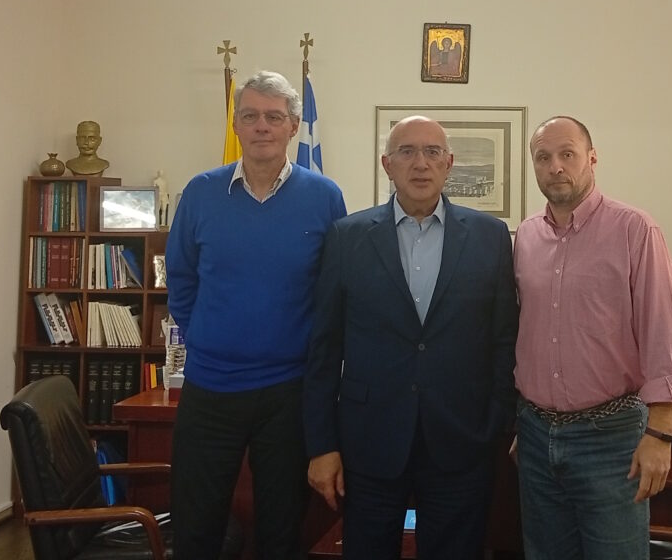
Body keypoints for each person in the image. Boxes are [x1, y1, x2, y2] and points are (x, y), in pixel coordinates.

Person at [303, 116, 518, 560]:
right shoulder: (347, 237)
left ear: (449, 163)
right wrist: (322, 445)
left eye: (432, 152)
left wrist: (495, 422)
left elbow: (504, 339)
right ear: (387, 164)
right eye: (406, 152)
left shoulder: (490, 236)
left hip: (462, 439)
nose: (420, 163)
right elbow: (325, 348)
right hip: (369, 440)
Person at [166, 70, 346, 560]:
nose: (261, 126)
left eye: (273, 117)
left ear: (293, 126)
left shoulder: (325, 196)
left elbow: (332, 289)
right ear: (236, 125)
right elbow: (181, 279)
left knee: (281, 531)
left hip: (288, 393)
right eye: (250, 116)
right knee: (195, 528)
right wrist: (206, 338)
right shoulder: (200, 192)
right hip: (210, 389)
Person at [512, 116, 672, 559]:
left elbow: (663, 333)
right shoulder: (525, 237)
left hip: (610, 438)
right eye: (543, 157)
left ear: (592, 159)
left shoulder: (635, 229)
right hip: (535, 435)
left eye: (567, 154)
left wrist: (661, 434)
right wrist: (523, 423)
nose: (555, 166)